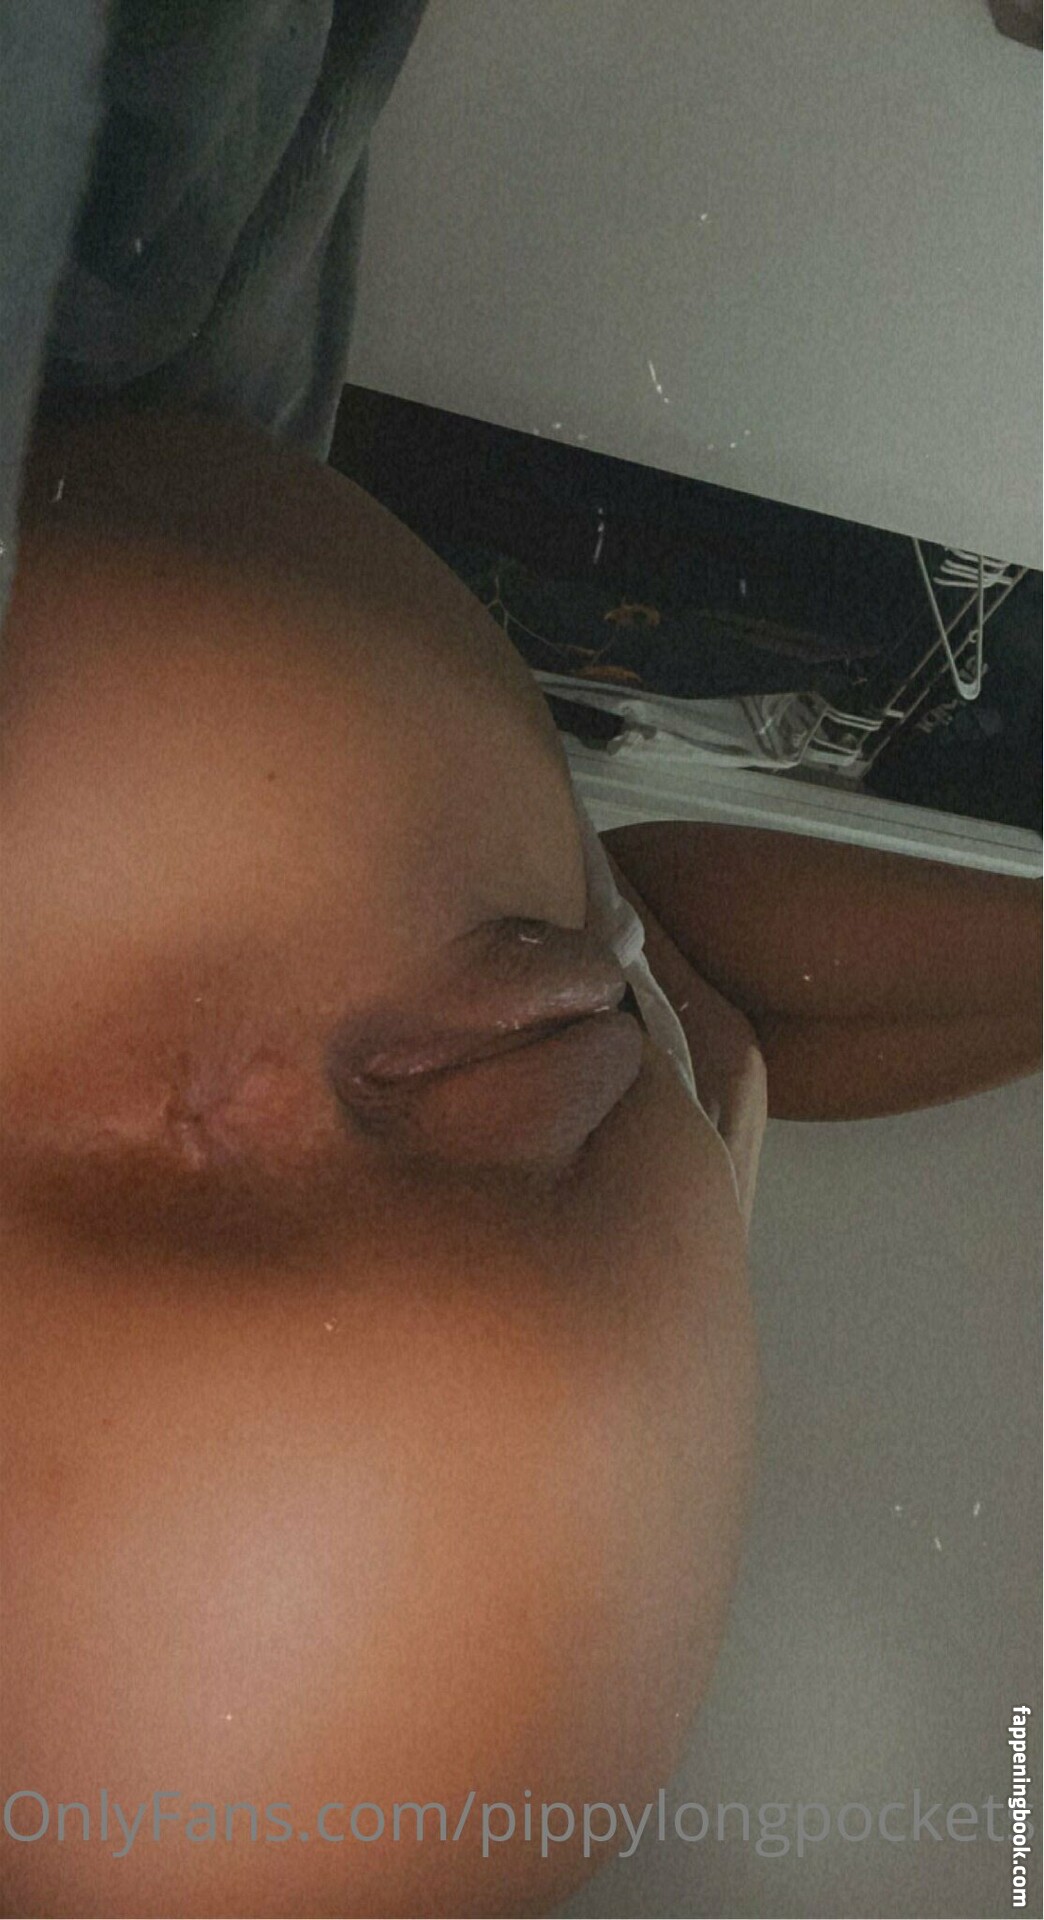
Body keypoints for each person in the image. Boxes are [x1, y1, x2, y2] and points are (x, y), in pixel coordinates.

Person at [0, 9, 1038, 1919]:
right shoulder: (186, 499)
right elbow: (705, 992)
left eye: (562, 1040)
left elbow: (686, 994)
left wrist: (645, 1057)